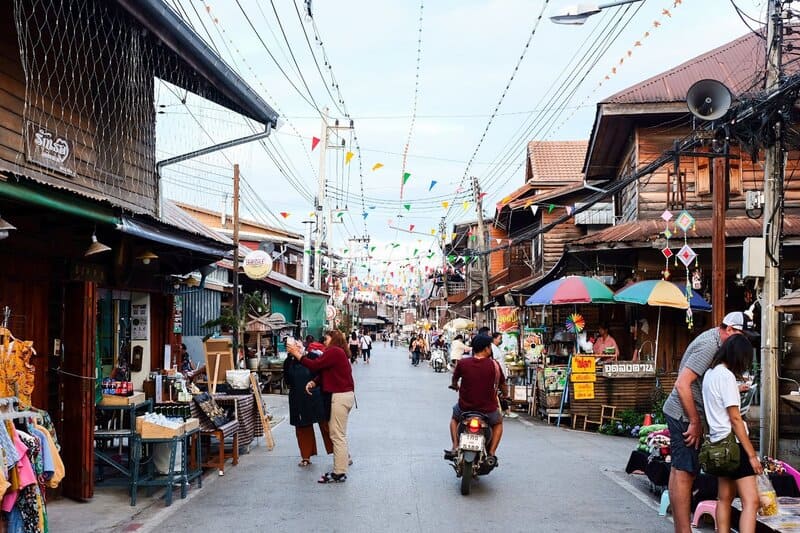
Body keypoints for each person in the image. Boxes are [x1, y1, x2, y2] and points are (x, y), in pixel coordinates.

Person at [663, 311, 746, 533]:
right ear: (728, 329)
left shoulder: (715, 341)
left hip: (681, 411)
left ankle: (680, 529)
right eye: (737, 335)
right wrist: (694, 421)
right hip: (683, 413)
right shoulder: (711, 344)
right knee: (685, 472)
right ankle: (683, 530)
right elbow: (683, 384)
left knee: (679, 470)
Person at [701, 335, 763, 533]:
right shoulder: (726, 376)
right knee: (751, 501)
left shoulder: (710, 374)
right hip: (734, 444)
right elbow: (735, 419)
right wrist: (752, 455)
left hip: (718, 443)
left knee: (724, 499)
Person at [287, 330, 355, 483]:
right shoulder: (336, 352)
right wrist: (315, 382)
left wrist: (297, 355)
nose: (324, 340)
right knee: (337, 434)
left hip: (340, 396)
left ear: (334, 339)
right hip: (343, 395)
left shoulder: (334, 351)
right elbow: (325, 371)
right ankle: (340, 469)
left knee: (337, 435)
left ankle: (339, 472)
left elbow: (315, 365)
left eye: (327, 338)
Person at [445, 334, 508, 461]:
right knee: (498, 423)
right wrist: (506, 395)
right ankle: (491, 453)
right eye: (490, 346)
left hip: (464, 409)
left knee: (454, 419)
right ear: (486, 349)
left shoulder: (463, 363)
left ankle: (455, 446)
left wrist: (454, 385)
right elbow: (502, 385)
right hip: (488, 411)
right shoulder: (495, 365)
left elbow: (455, 378)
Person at [283, 339, 333, 467]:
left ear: (302, 344)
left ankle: (340, 453)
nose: (296, 347)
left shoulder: (313, 356)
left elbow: (322, 375)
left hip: (316, 396)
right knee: (302, 428)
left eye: (297, 344)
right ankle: (306, 456)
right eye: (292, 345)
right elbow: (287, 381)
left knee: (327, 426)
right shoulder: (288, 362)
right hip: (298, 398)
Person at [491, 332, 516, 419]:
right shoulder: (492, 348)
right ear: (494, 339)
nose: (500, 340)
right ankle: (505, 410)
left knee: (500, 392)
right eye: (499, 338)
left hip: (500, 373)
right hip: (497, 374)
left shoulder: (496, 348)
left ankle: (505, 410)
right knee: (500, 392)